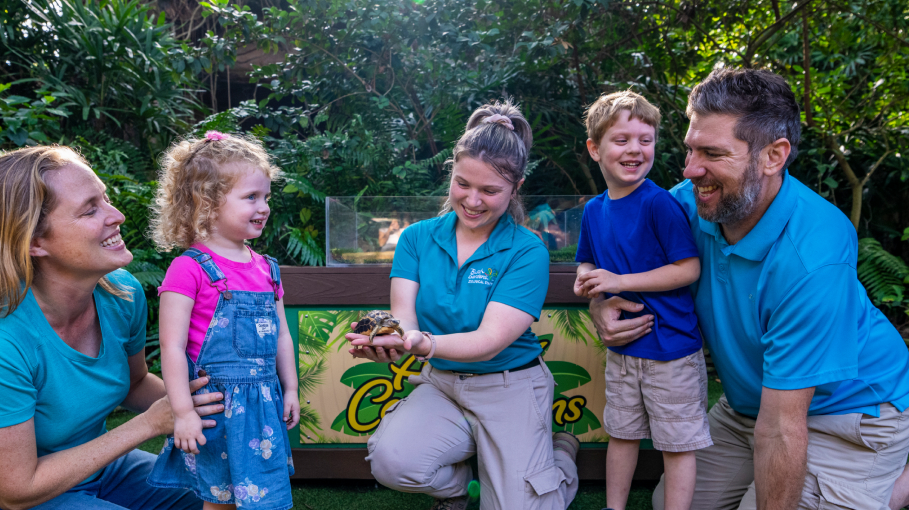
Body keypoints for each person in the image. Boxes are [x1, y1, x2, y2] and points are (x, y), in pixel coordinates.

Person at [589, 68, 909, 510]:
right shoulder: (687, 202)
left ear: (774, 156)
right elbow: (620, 264)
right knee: (670, 502)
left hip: (849, 411)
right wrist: (600, 304)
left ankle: (894, 480)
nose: (689, 169)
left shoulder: (813, 252)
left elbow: (782, 426)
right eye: (690, 149)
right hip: (747, 407)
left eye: (713, 153)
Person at [0, 146, 223, 510]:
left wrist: (213, 406)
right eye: (90, 209)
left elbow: (135, 383)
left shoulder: (121, 294)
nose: (117, 215)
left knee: (220, 493)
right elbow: (15, 490)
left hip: (97, 469)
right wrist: (150, 425)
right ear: (33, 242)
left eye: (105, 199)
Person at [345, 102, 580, 510]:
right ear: (451, 174)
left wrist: (420, 344)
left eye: (490, 191)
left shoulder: (527, 251)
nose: (472, 200)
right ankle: (460, 488)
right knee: (392, 461)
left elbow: (489, 341)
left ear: (516, 187)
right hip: (444, 384)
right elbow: (404, 317)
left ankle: (559, 456)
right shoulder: (416, 238)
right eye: (462, 184)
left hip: (511, 386)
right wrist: (390, 341)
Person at [146, 131, 299, 510]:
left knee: (267, 496)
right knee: (219, 501)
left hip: (262, 407)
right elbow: (172, 347)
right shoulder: (189, 269)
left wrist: (291, 388)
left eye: (266, 196)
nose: (263, 206)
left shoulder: (268, 269)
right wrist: (182, 412)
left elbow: (281, 336)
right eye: (251, 197)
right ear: (208, 203)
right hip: (216, 410)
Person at [573, 91, 709, 510]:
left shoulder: (658, 203)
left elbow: (688, 269)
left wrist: (620, 280)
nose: (635, 149)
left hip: (670, 350)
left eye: (645, 140)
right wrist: (588, 284)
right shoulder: (594, 210)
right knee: (622, 434)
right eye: (622, 140)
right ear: (595, 149)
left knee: (677, 444)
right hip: (623, 349)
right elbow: (586, 262)